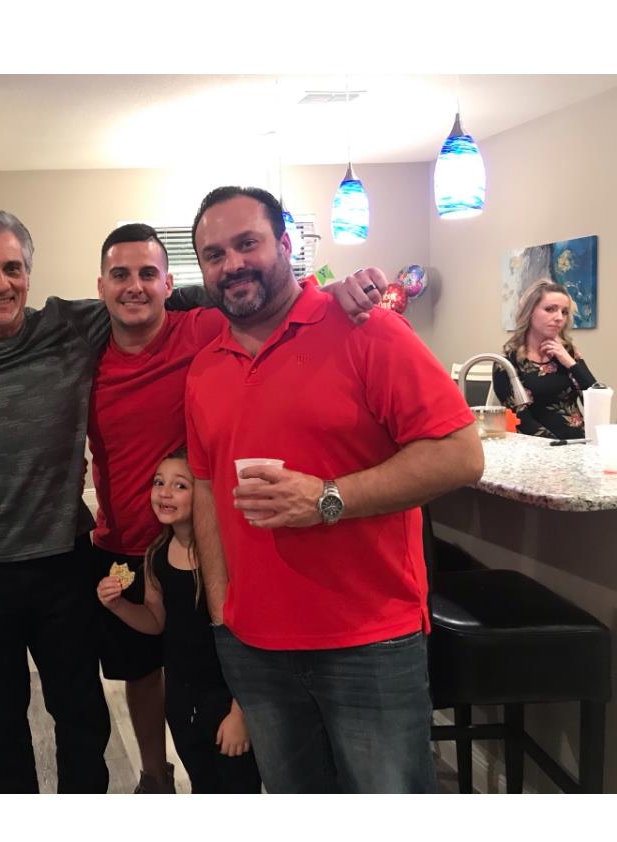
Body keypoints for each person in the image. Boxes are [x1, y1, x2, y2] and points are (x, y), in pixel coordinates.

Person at [0, 209, 387, 794]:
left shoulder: (71, 326)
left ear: (29, 272)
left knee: (82, 716)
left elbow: (205, 294)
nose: (0, 283)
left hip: (63, 558)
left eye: (12, 268)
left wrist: (330, 292)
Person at [185, 185, 484, 793]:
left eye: (248, 243)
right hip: (254, 644)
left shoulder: (367, 329)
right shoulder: (204, 366)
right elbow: (205, 490)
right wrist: (222, 616)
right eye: (214, 254)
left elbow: (461, 454)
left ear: (287, 246)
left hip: (367, 641)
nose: (232, 263)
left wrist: (328, 498)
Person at [89, 222, 387, 792]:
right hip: (126, 539)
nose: (135, 286)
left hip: (208, 540)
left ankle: (239, 753)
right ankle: (154, 775)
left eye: (148, 274)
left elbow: (271, 300)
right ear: (100, 285)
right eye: (121, 276)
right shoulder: (82, 351)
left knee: (219, 658)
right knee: (145, 669)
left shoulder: (202, 325)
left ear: (170, 281)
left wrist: (338, 287)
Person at [97, 448, 262, 793]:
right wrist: (117, 606)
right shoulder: (156, 554)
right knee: (202, 780)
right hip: (182, 698)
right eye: (159, 482)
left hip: (228, 700)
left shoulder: (224, 557)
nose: (165, 492)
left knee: (237, 786)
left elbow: (250, 639)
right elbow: (156, 621)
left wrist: (241, 713)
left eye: (180, 485)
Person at [493, 278, 599, 439]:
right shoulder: (507, 362)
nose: (559, 318)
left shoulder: (567, 352)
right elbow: (521, 419)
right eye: (550, 309)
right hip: (537, 449)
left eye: (564, 312)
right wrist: (558, 447)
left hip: (579, 444)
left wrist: (570, 363)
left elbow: (596, 400)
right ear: (530, 312)